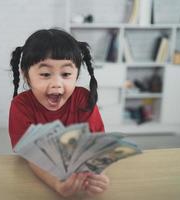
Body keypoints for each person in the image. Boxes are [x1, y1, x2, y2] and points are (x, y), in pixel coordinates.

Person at [8, 28, 109, 197]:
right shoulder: (21, 106)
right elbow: (32, 155)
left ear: (76, 75)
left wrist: (95, 175)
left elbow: (95, 144)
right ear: (26, 76)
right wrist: (56, 182)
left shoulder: (83, 100)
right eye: (45, 74)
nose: (56, 84)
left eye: (66, 74)